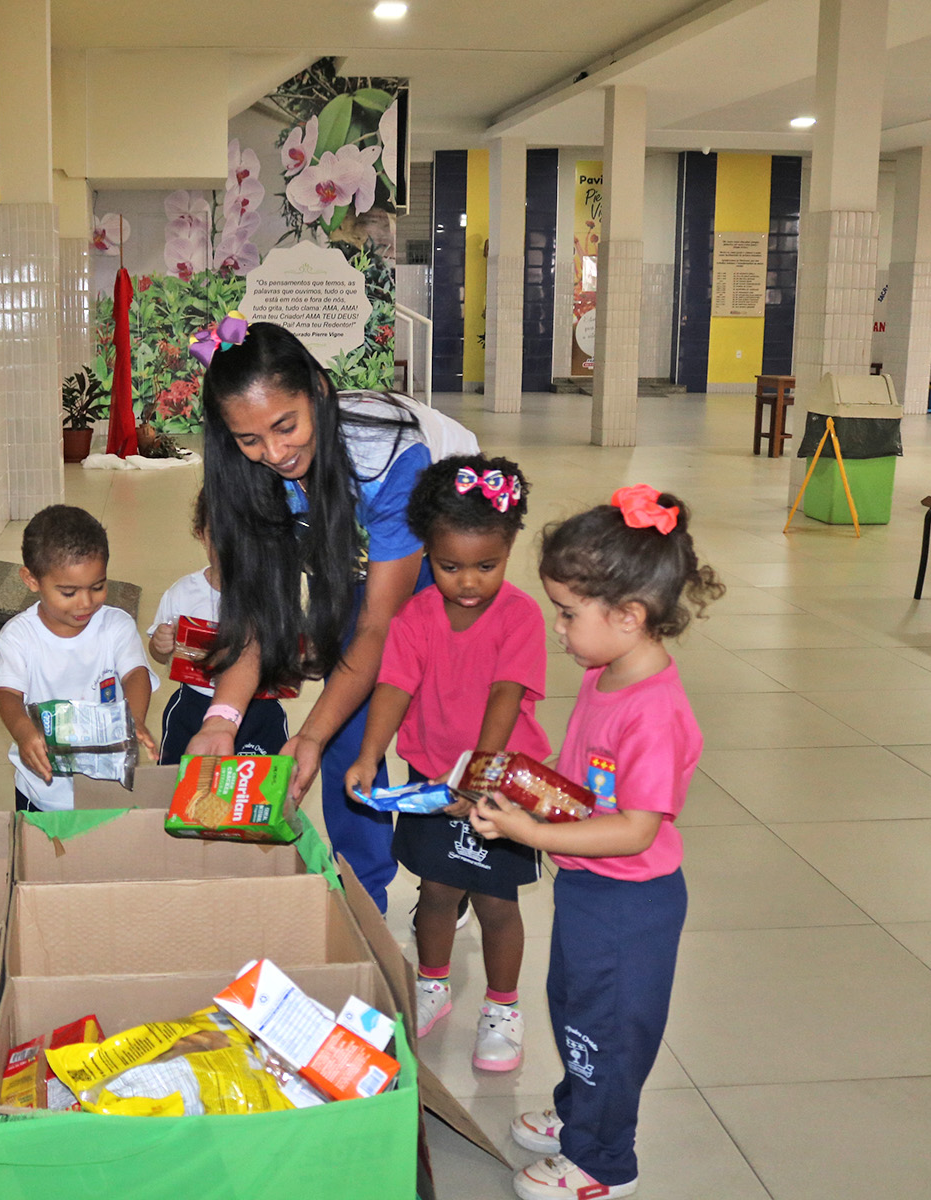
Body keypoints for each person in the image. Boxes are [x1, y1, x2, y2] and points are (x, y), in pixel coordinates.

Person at [468, 485, 723, 1200]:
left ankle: (604, 1163)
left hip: (628, 903)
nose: (558, 628)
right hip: (591, 889)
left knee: (607, 1030)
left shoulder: (654, 714)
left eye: (568, 613)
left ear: (630, 616)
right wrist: (528, 789)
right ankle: (583, 1112)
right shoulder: (603, 672)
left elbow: (637, 825)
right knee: (577, 1007)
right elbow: (587, 782)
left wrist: (531, 830)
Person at [185, 320, 476, 912]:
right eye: (248, 439)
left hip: (447, 528)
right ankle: (362, 892)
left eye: (285, 426)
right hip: (348, 530)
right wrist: (221, 718)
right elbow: (259, 618)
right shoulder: (248, 474)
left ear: (317, 390)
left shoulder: (387, 451)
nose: (273, 452)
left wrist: (309, 733)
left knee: (434, 715)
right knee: (348, 724)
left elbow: (378, 625)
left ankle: (447, 873)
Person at [344, 455, 547, 1074]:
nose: (467, 581)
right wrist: (369, 753)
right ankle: (431, 984)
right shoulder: (415, 618)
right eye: (449, 566)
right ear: (426, 552)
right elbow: (394, 689)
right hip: (432, 785)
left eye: (487, 566)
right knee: (436, 892)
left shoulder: (520, 616)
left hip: (499, 789)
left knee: (495, 902)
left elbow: (506, 695)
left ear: (510, 549)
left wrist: (480, 773)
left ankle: (503, 1008)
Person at [0, 505, 157, 811]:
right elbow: (6, 693)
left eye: (98, 587)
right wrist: (23, 732)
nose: (86, 602)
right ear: (32, 580)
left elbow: (135, 673)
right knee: (44, 856)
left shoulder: (115, 625)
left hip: (109, 785)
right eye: (68, 592)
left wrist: (134, 718)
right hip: (42, 789)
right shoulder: (20, 636)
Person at [147, 488, 289, 763]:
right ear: (201, 535)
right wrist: (161, 645)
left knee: (262, 788)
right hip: (193, 705)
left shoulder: (271, 595)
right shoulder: (183, 593)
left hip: (260, 709)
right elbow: (160, 653)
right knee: (181, 784)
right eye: (220, 537)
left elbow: (287, 657)